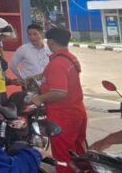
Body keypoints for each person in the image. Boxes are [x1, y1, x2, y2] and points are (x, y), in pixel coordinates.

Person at [32, 28, 86, 173]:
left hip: (62, 118)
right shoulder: (70, 58)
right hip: (77, 113)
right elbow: (56, 75)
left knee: (63, 158)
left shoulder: (57, 63)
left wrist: (39, 98)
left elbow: (59, 92)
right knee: (78, 154)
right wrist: (36, 77)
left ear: (51, 42)